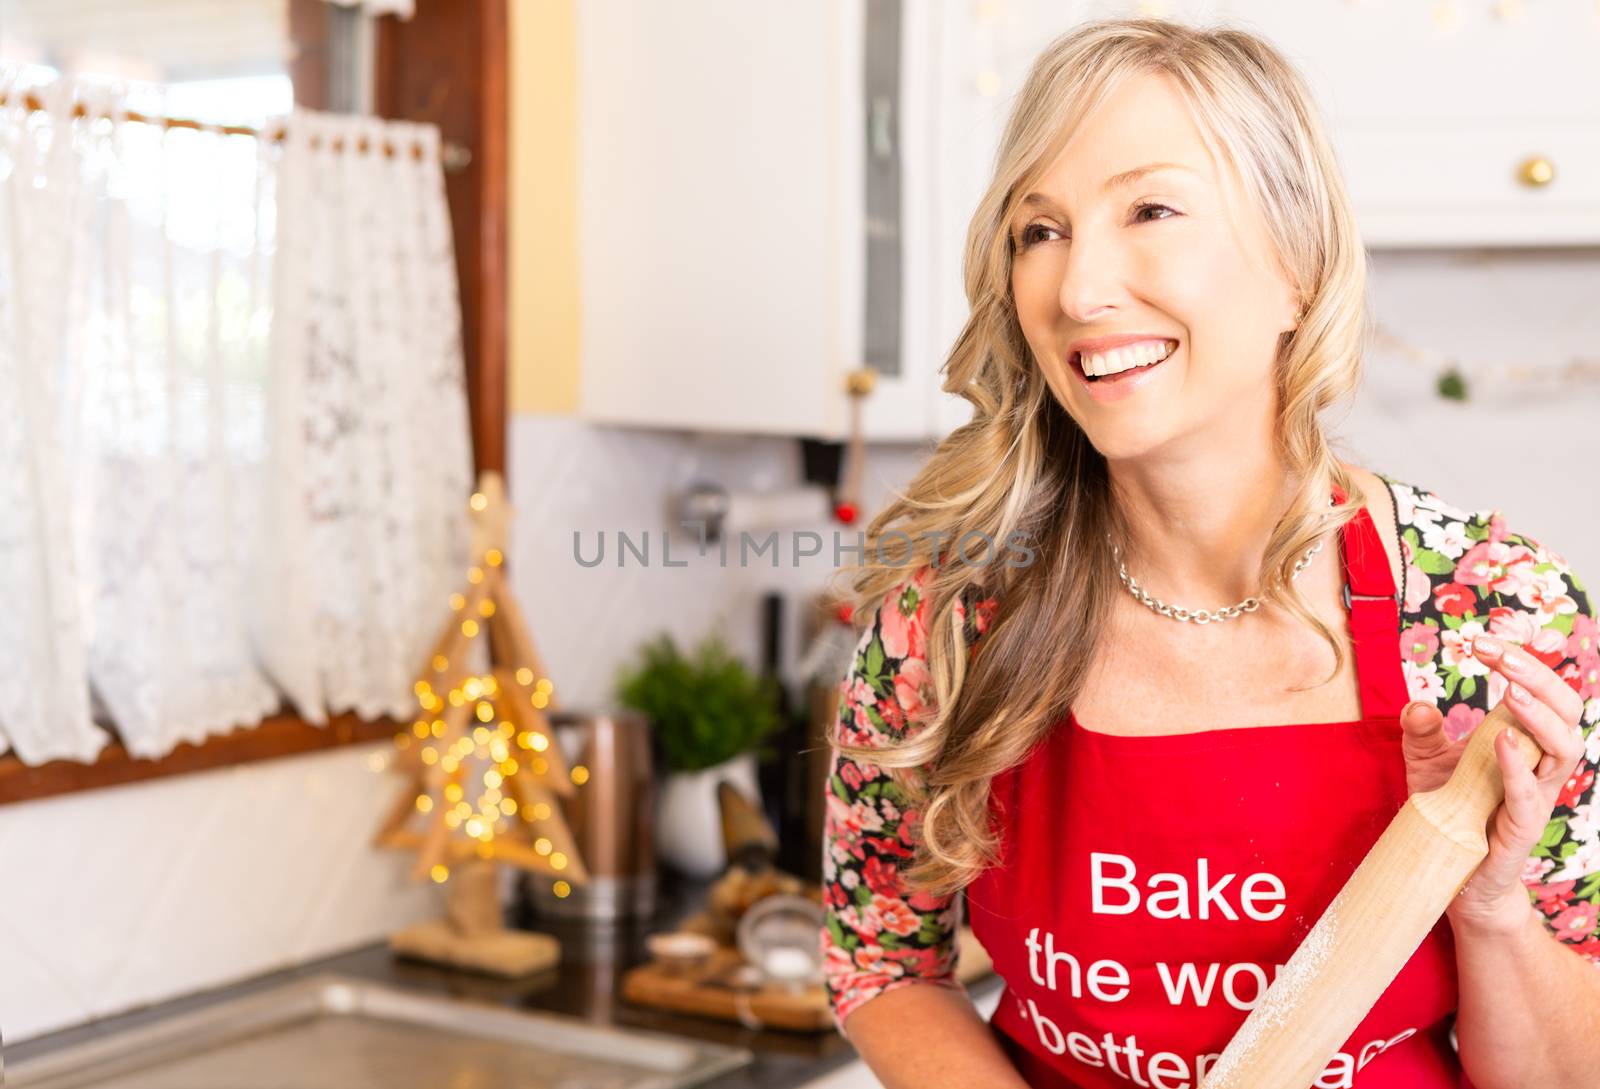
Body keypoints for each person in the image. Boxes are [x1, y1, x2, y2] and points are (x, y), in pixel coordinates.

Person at [817, 17, 1600, 1089]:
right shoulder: (953, 616)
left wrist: (1493, 905)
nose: (1079, 289)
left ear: (1295, 265)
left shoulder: (1490, 614)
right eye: (1037, 230)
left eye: (1150, 209)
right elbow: (879, 963)